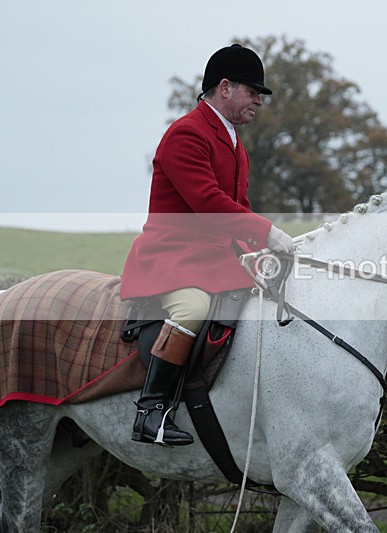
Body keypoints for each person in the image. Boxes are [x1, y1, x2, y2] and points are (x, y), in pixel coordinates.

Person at [120, 44, 293, 446]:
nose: (258, 102)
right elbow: (207, 203)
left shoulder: (234, 143)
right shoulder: (186, 133)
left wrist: (259, 252)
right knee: (193, 307)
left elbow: (236, 208)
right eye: (253, 92)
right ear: (225, 87)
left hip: (214, 258)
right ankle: (152, 412)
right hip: (173, 257)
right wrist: (267, 232)